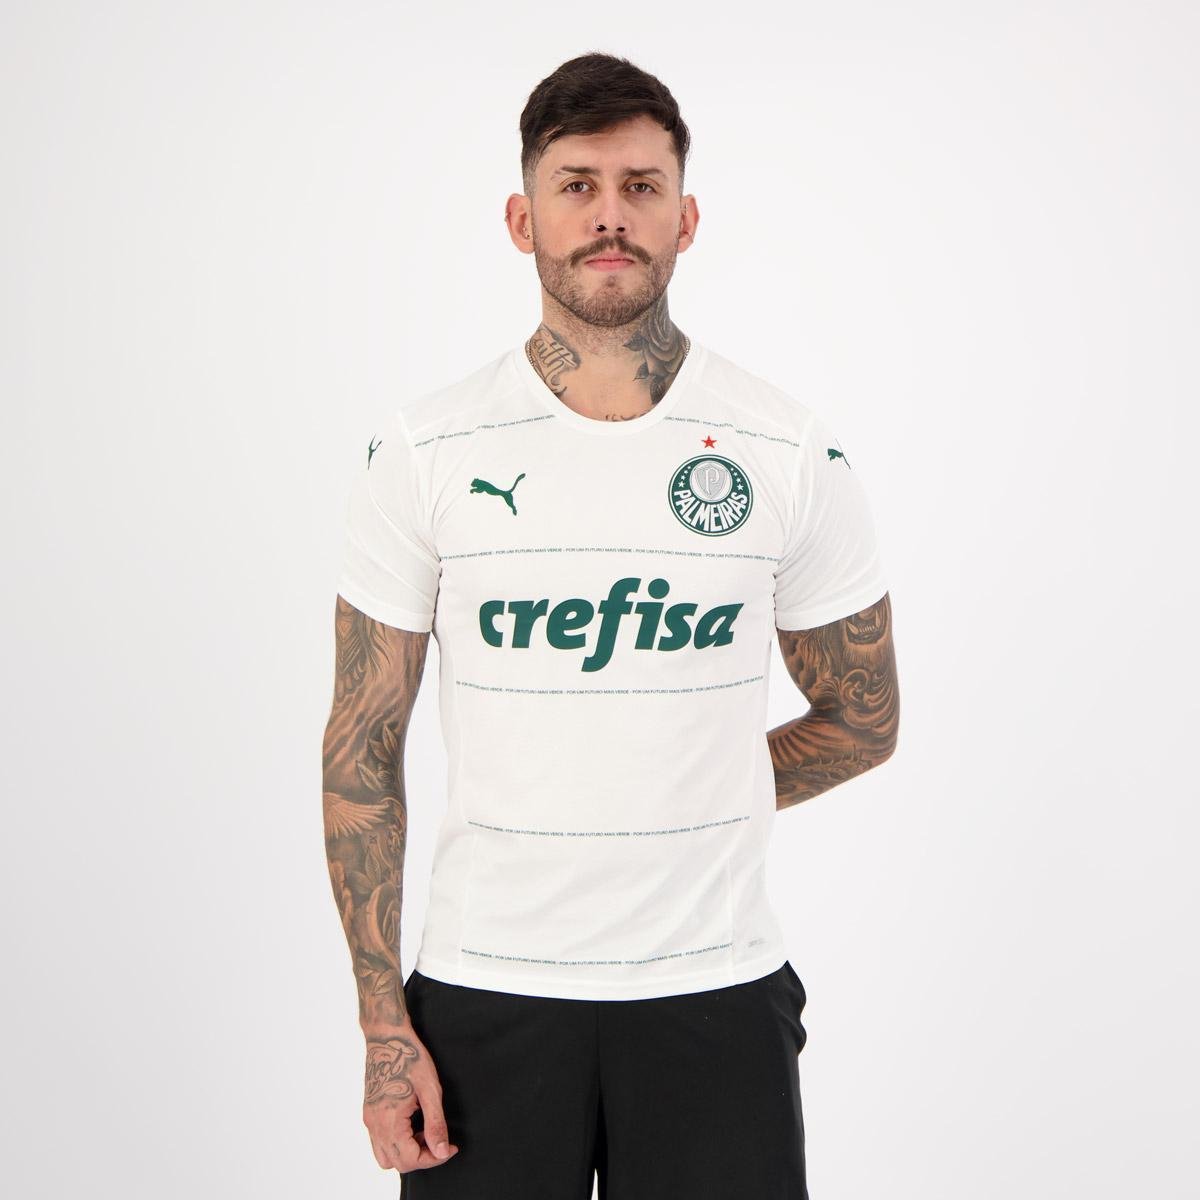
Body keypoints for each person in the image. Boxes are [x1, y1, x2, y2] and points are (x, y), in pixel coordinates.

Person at [323, 51, 900, 1199]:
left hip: (714, 993)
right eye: (576, 184)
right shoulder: (425, 452)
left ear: (686, 219)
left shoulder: (784, 450)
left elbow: (864, 717)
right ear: (520, 217)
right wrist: (386, 1032)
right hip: (485, 996)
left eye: (641, 187)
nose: (609, 215)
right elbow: (361, 751)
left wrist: (696, 783)